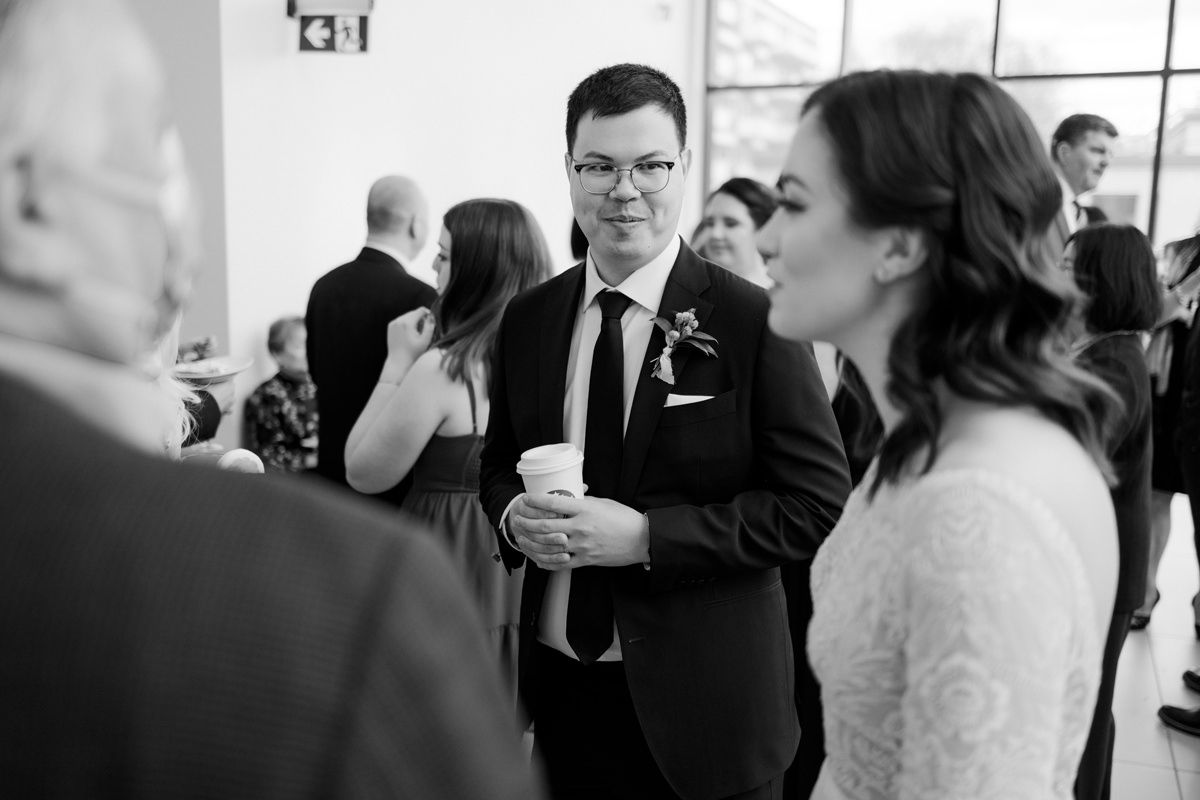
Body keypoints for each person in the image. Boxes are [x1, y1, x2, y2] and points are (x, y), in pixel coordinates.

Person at [0, 2, 543, 797]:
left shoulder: (349, 303)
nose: (180, 211)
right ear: (30, 201)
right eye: (156, 154)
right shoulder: (340, 582)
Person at [480, 63, 852, 800]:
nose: (625, 191)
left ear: (683, 166)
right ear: (570, 171)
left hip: (709, 706)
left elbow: (817, 505)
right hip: (562, 695)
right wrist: (512, 515)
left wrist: (650, 538)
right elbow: (496, 463)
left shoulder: (754, 320)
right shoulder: (529, 318)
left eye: (650, 166)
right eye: (599, 167)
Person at [757, 69, 1120, 799]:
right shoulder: (928, 434)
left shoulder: (978, 512)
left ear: (898, 246)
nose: (766, 239)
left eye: (793, 203)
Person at [698, 175, 878, 797]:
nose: (716, 234)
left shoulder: (805, 326)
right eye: (710, 221)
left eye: (732, 222)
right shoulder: (698, 318)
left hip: (808, 544)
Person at [346, 198, 552, 704]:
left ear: (474, 273)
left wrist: (396, 364)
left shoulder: (444, 369)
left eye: (443, 256)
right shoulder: (550, 359)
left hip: (452, 559)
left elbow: (363, 471)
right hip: (523, 564)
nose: (433, 267)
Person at [1062, 223, 1159, 800]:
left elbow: (1072, 452)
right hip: (1098, 563)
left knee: (1087, 713)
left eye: (1067, 266)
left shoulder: (1116, 361)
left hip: (1106, 570)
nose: (1055, 277)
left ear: (1102, 279)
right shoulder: (1101, 350)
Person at [305, 174, 437, 506]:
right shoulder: (421, 298)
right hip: (390, 476)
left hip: (330, 466)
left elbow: (316, 371)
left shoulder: (324, 287)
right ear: (416, 225)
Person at [1136, 233, 1200, 630]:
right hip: (1166, 391)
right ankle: (1145, 592)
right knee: (1157, 497)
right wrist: (1184, 293)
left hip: (1194, 391)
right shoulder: (1180, 252)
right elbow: (1151, 312)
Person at [242, 316, 318, 473]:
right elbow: (267, 457)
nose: (309, 351)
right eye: (299, 346)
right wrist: (312, 459)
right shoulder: (266, 396)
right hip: (300, 481)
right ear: (277, 353)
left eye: (311, 342)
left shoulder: (320, 385)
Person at [1045, 113, 1119, 257]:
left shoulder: (1073, 210)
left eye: (1110, 154)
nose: (1106, 162)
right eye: (1098, 151)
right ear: (1064, 152)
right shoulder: (1034, 201)